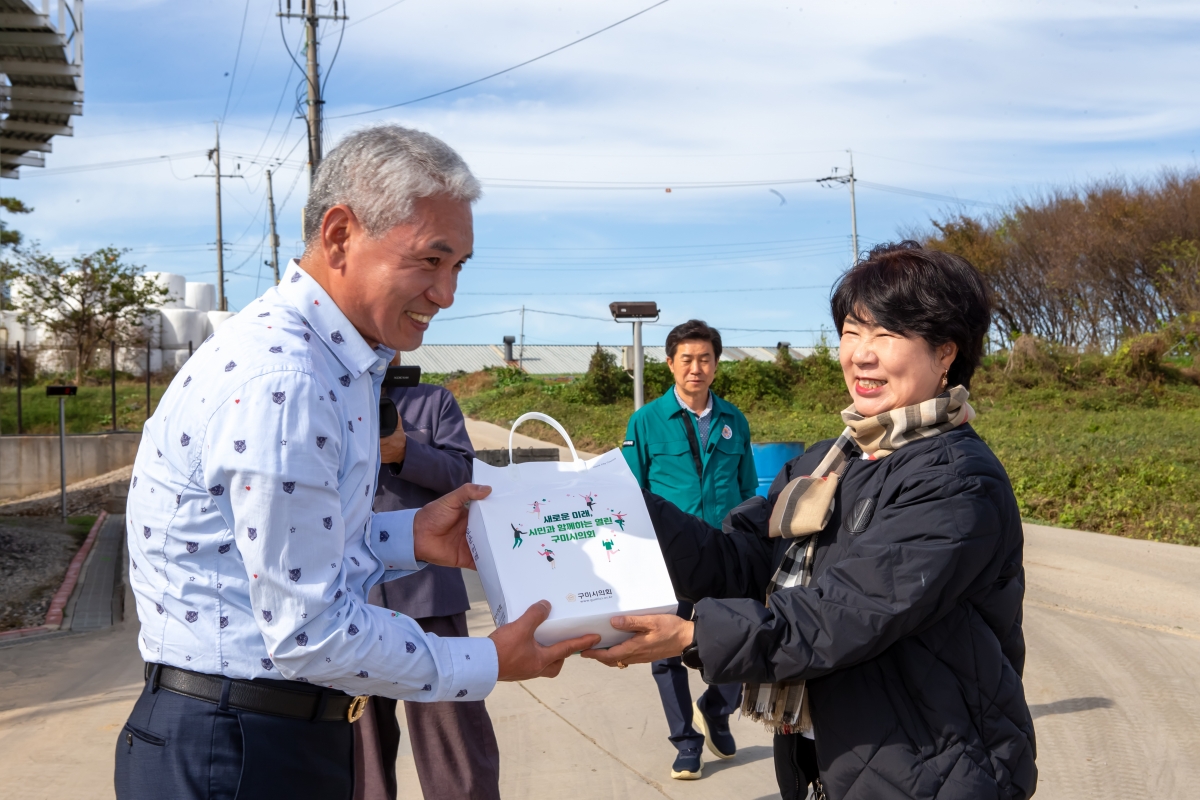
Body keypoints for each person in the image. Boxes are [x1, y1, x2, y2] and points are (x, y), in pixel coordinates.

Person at [115, 125, 600, 800]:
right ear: (340, 235)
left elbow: (283, 548)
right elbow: (310, 630)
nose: (446, 294)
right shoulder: (286, 381)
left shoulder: (330, 365)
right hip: (239, 748)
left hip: (264, 731)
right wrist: (487, 658)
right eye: (430, 260)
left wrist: (409, 535)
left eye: (459, 266)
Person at [586, 242, 1037, 800]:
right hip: (830, 757)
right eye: (852, 331)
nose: (861, 355)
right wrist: (621, 510)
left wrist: (693, 635)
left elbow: (842, 614)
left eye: (886, 334)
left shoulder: (956, 480)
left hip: (932, 767)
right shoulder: (828, 462)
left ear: (945, 353)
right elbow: (738, 561)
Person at [352, 355, 501, 800]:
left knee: (454, 742)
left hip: (430, 597)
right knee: (360, 754)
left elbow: (467, 476)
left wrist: (405, 452)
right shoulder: (324, 396)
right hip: (349, 605)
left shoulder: (433, 401)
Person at [620, 319, 758, 780]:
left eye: (705, 359)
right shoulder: (646, 421)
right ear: (670, 364)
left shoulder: (733, 420)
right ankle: (685, 742)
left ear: (716, 364)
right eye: (687, 359)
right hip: (668, 555)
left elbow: (748, 489)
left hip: (725, 550)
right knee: (664, 651)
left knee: (739, 638)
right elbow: (630, 492)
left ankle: (716, 709)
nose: (695, 368)